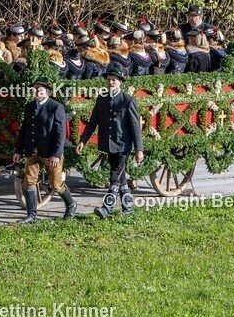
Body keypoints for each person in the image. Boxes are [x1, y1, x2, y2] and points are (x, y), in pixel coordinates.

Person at [76, 66, 144, 218]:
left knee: (114, 176)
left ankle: (106, 208)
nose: (111, 83)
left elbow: (135, 127)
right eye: (109, 80)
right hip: (108, 144)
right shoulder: (102, 98)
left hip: (123, 145)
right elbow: (93, 122)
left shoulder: (128, 100)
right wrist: (83, 141)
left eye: (114, 80)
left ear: (120, 82)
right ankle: (128, 208)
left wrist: (139, 149)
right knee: (121, 178)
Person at [13, 79, 75, 224]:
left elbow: (61, 134)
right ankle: (32, 216)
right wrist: (18, 150)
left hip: (50, 153)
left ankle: (71, 205)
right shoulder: (29, 107)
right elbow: (24, 131)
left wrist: (56, 154)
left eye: (40, 90)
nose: (36, 92)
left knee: (56, 185)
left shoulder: (56, 107)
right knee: (29, 181)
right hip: (32, 152)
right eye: (34, 89)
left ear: (47, 91)